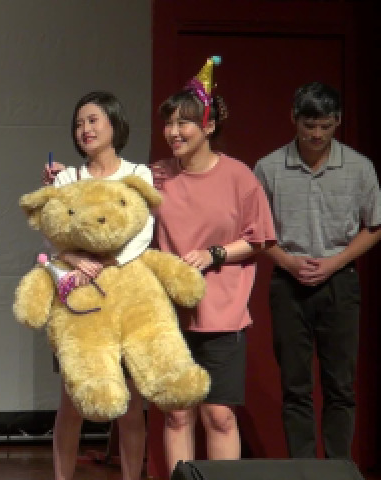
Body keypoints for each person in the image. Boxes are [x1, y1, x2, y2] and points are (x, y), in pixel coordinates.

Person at [150, 57, 275, 471]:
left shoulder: (239, 177)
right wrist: (64, 178)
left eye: (183, 123)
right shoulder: (158, 176)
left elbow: (259, 238)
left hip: (222, 312)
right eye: (169, 123)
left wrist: (215, 254)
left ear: (208, 126)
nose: (173, 132)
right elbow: (111, 194)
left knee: (218, 415)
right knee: (177, 414)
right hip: (171, 313)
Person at [254, 82, 381, 459]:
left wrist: (334, 263)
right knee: (295, 386)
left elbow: (375, 226)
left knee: (340, 385)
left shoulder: (358, 167)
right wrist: (288, 261)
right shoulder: (269, 167)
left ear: (337, 121)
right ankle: (303, 469)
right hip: (288, 283)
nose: (316, 134)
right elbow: (255, 232)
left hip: (340, 281)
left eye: (325, 126)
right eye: (309, 125)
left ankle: (338, 469)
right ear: (294, 119)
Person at [43, 91, 150, 480]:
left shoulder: (138, 174)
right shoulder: (67, 178)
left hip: (124, 302)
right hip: (80, 303)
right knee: (72, 401)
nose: (85, 129)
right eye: (79, 124)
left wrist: (107, 263)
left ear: (114, 124)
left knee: (130, 404)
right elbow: (51, 233)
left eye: (92, 121)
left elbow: (143, 232)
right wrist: (74, 260)